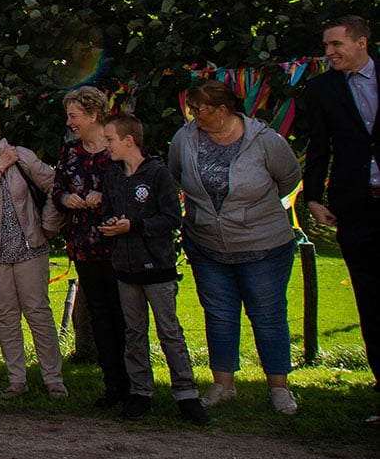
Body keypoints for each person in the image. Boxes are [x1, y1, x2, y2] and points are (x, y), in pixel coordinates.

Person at [169, 78, 303, 415]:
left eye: (200, 109)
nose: (194, 115)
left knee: (268, 316)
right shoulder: (184, 139)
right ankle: (223, 385)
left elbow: (288, 178)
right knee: (219, 316)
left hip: (264, 245)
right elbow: (175, 175)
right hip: (207, 245)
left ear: (223, 109)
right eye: (192, 109)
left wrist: (250, 211)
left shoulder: (264, 140)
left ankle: (279, 389)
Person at [99, 113, 209, 425]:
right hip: (125, 268)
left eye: (110, 140)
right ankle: (140, 393)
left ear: (128, 140)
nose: (106, 146)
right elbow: (108, 210)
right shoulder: (113, 175)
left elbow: (172, 218)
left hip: (157, 268)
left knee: (169, 332)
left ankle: (187, 394)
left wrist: (135, 226)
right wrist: (110, 224)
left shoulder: (158, 174)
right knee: (134, 333)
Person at [299, 15, 380, 426]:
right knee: (370, 299)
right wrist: (313, 196)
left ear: (361, 42)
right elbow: (319, 146)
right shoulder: (321, 89)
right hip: (357, 208)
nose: (329, 53)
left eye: (335, 45)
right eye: (326, 46)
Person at [0, 113, 65, 399]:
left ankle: (53, 379)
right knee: (5, 316)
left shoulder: (22, 156)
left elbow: (54, 185)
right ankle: (16, 380)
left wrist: (49, 225)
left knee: (38, 313)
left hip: (30, 247)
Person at [51, 85, 129, 408]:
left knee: (124, 316)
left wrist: (105, 199)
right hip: (84, 247)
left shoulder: (116, 151)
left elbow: (134, 189)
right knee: (100, 318)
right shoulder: (70, 153)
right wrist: (66, 198)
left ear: (94, 115)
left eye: (74, 116)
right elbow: (57, 190)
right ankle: (113, 388)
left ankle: (135, 386)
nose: (70, 123)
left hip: (119, 249)